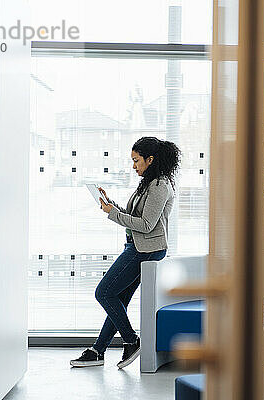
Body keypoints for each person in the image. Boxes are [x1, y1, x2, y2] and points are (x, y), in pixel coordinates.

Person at [70, 137, 181, 369]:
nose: (134, 166)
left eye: (136, 161)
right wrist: (111, 205)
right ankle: (98, 351)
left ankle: (131, 340)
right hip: (139, 247)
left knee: (104, 293)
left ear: (150, 160)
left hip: (146, 249)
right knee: (117, 298)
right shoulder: (149, 183)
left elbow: (147, 224)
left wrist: (113, 214)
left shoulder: (160, 185)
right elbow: (135, 218)